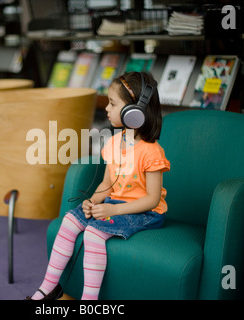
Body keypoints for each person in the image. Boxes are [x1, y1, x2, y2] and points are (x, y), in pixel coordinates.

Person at [26, 72, 170, 300]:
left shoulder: (151, 151)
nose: (107, 109)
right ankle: (48, 288)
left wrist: (113, 210)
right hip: (116, 204)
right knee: (70, 220)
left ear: (134, 111)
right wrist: (93, 202)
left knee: (93, 233)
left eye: (113, 104)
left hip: (145, 212)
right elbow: (106, 184)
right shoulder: (113, 143)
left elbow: (152, 199)